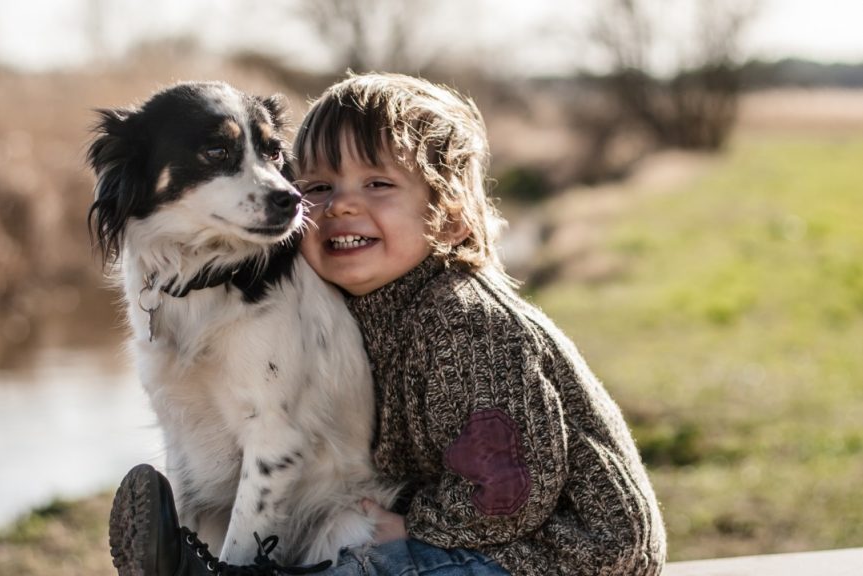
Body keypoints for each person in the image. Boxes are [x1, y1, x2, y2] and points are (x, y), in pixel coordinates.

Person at [110, 73, 667, 576]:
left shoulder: (465, 327)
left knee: (368, 568)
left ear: (447, 219)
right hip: (485, 540)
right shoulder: (365, 295)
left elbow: (510, 493)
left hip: (574, 556)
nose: (335, 208)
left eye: (377, 184)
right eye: (319, 187)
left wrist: (412, 526)